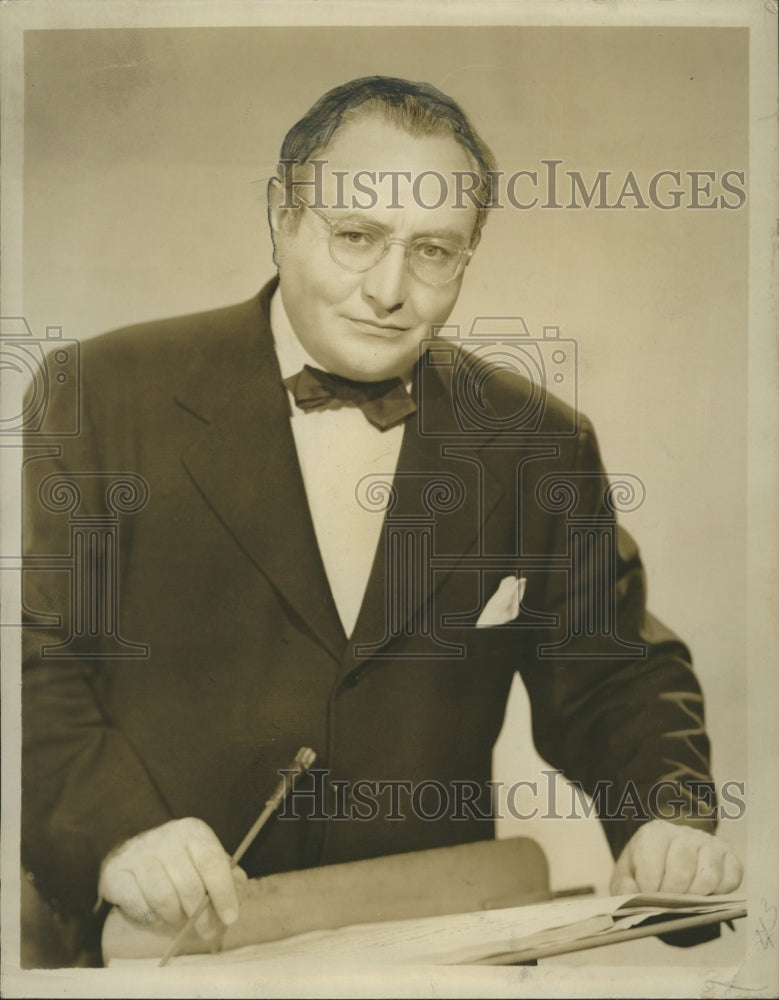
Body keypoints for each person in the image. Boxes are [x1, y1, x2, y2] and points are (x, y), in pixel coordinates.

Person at [22, 76, 742, 962]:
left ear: (468, 255)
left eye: (433, 251)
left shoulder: (535, 441)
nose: (389, 289)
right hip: (144, 946)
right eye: (356, 236)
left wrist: (663, 815)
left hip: (431, 944)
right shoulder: (100, 393)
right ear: (282, 219)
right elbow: (35, 661)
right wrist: (120, 833)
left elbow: (611, 673)